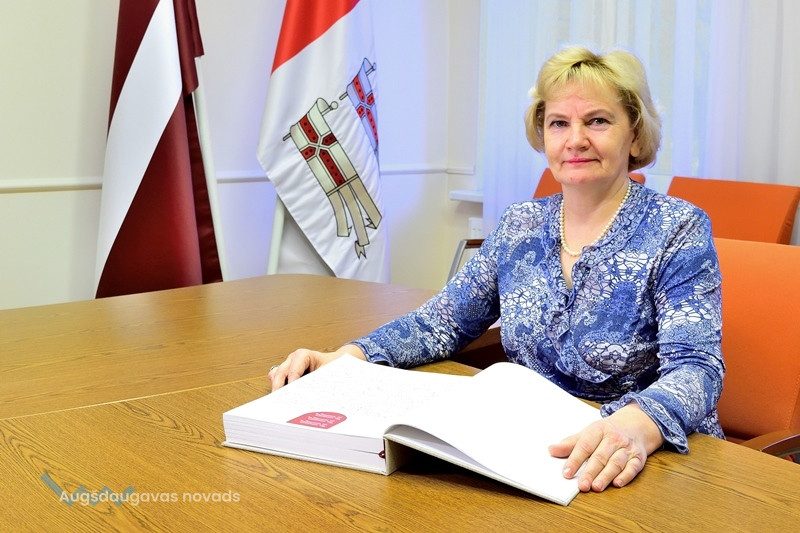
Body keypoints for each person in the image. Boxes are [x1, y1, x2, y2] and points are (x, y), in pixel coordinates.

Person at [269, 46, 724, 493]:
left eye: (598, 121)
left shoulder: (677, 228)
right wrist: (351, 356)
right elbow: (443, 321)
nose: (575, 139)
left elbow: (698, 368)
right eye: (559, 123)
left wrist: (637, 424)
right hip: (533, 451)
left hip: (640, 460)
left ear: (636, 136)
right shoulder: (519, 225)